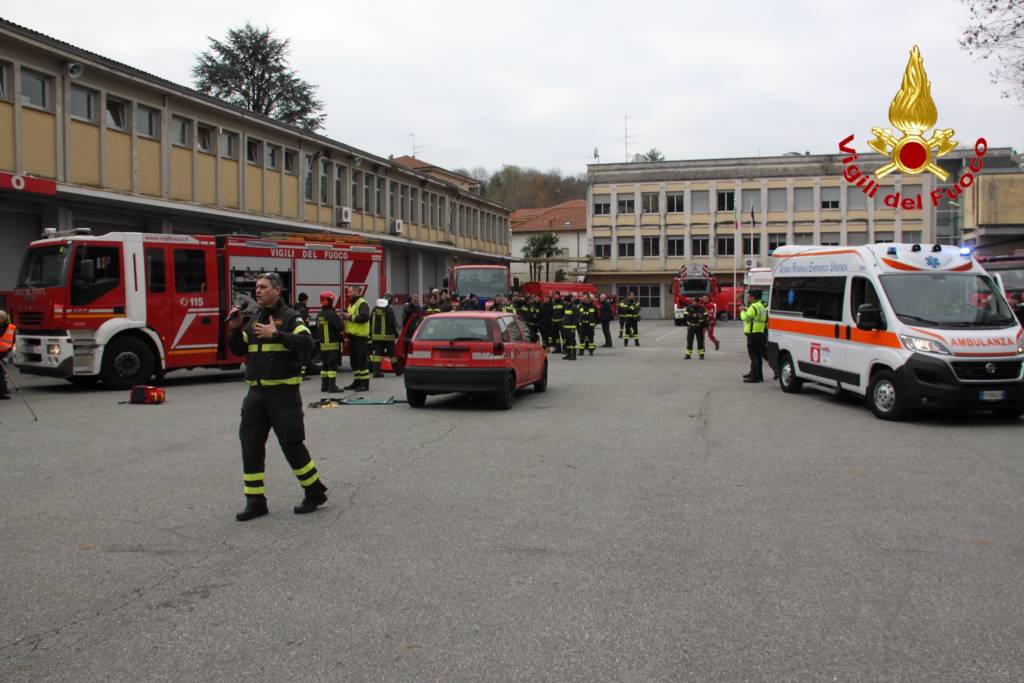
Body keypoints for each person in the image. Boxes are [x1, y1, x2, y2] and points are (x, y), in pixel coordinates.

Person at [226, 272, 327, 521]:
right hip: (257, 394)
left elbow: (307, 343)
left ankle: (314, 491)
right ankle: (255, 501)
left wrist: (277, 335)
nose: (257, 291)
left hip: (283, 394)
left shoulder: (291, 317)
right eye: (256, 287)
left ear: (277, 290)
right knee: (250, 445)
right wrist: (236, 330)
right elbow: (240, 349)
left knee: (292, 445)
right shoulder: (255, 318)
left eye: (262, 287)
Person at [341, 286, 372, 391]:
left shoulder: (362, 303)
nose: (348, 294)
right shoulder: (352, 304)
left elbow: (364, 317)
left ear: (356, 291)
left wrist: (349, 316)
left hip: (361, 338)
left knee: (361, 361)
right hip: (353, 338)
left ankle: (364, 384)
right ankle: (357, 381)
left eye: (350, 292)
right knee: (354, 362)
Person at [315, 292, 343, 393]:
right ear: (330, 301)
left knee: (325, 366)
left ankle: (324, 386)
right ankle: (332, 387)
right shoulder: (332, 314)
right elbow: (340, 327)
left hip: (323, 345)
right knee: (332, 366)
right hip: (332, 345)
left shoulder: (319, 314)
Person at [370, 293, 401, 379]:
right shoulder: (389, 309)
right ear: (390, 300)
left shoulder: (375, 309)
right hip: (388, 337)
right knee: (392, 355)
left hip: (377, 337)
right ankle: (397, 371)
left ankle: (376, 372)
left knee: (377, 355)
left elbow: (370, 321)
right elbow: (392, 322)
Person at [740, 289, 769, 383]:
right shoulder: (761, 306)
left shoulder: (753, 306)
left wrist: (742, 311)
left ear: (753, 297)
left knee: (753, 356)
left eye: (749, 296)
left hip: (753, 333)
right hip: (760, 332)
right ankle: (759, 375)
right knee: (758, 355)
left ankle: (755, 377)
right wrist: (747, 310)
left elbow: (746, 318)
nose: (747, 297)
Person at [0, 310, 15, 399]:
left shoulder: (10, 328)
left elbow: (11, 343)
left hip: (4, 354)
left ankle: (2, 390)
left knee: (2, 373)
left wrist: (3, 355)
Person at [560, 295, 578, 361]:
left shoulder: (573, 307)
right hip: (566, 327)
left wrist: (574, 327)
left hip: (571, 327)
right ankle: (568, 354)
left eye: (564, 301)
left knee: (572, 341)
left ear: (567, 301)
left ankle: (573, 355)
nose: (564, 302)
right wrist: (564, 320)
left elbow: (575, 318)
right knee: (567, 341)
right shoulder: (567, 307)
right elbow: (567, 316)